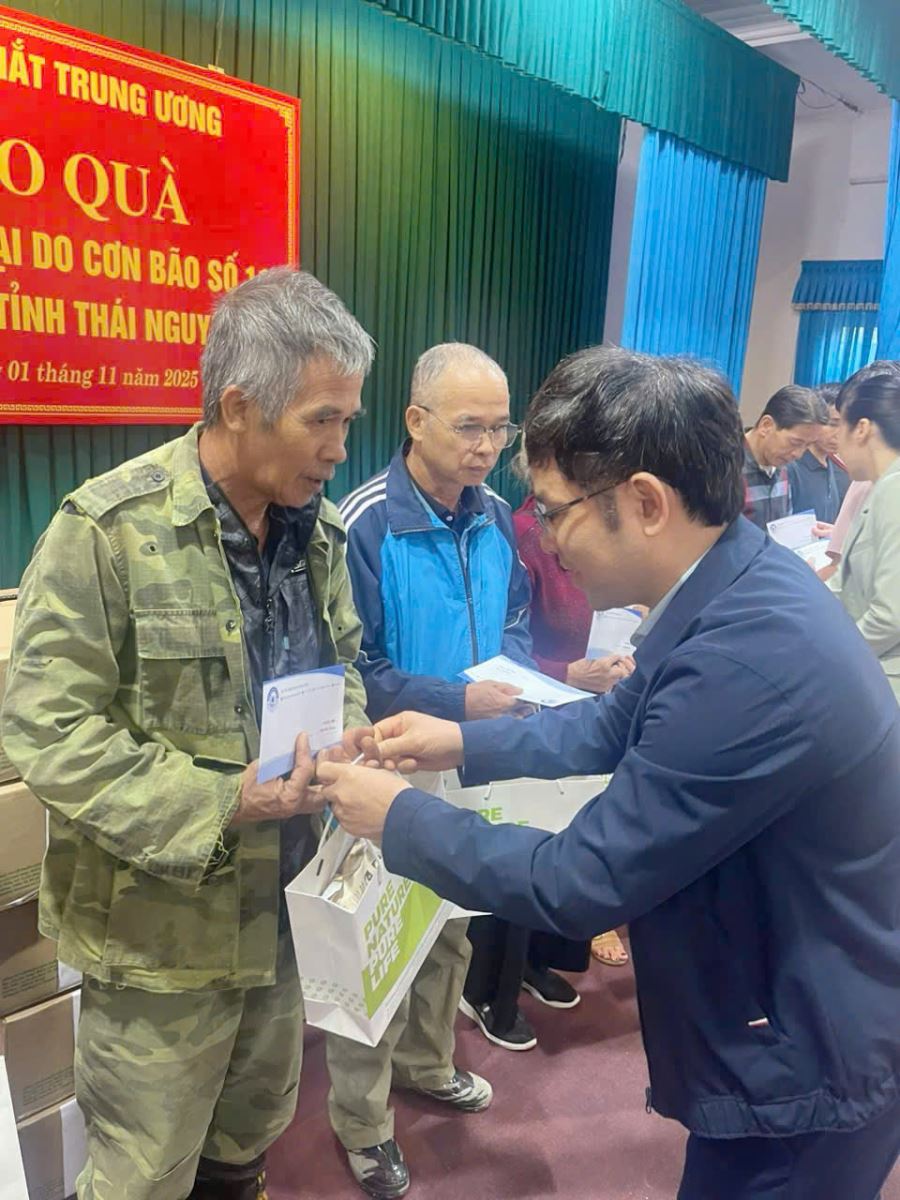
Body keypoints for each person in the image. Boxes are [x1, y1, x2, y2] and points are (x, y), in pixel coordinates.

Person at [320, 347, 900, 1200]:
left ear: (646, 503)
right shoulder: (733, 584)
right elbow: (611, 723)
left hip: (807, 1060)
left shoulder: (746, 659)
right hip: (785, 1003)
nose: (547, 540)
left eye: (557, 513)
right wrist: (461, 741)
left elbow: (577, 880)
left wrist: (397, 816)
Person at [0, 267, 376, 1200]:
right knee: (143, 1175)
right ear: (240, 406)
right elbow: (45, 729)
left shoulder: (320, 532)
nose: (339, 448)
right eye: (322, 420)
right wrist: (223, 799)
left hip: (287, 917)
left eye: (347, 420)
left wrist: (353, 741)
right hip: (163, 949)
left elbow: (345, 664)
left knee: (247, 1146)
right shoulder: (106, 532)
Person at [326, 343, 530, 1200]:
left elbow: (515, 622)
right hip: (386, 766)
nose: (487, 447)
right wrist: (459, 700)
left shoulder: (498, 515)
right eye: (469, 426)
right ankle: (362, 1122)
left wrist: (511, 683)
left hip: (471, 757)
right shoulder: (363, 522)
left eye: (500, 429)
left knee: (451, 928)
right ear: (415, 421)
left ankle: (427, 1060)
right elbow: (353, 666)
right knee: (374, 946)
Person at [513, 493, 631, 970]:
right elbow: (508, 643)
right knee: (544, 831)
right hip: (544, 700)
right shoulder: (524, 533)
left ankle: (565, 943)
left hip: (602, 693)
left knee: (593, 816)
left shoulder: (614, 520)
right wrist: (568, 674)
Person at [830, 370, 900, 700]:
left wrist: (835, 655)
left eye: (839, 424)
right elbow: (843, 584)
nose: (835, 439)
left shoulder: (894, 491)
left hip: (885, 679)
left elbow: (890, 616)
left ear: (861, 428)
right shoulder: (879, 486)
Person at [741, 384, 825, 528]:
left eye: (807, 445)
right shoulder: (726, 467)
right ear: (766, 425)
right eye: (795, 442)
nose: (798, 454)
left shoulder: (781, 465)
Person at [786, 383, 850, 523]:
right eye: (833, 424)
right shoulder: (791, 466)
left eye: (846, 425)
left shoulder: (839, 469)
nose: (839, 433)